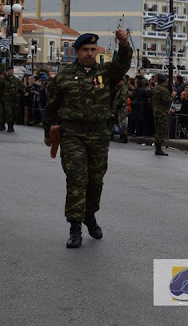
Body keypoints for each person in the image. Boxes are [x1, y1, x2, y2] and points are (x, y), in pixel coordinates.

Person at [43, 31, 132, 248]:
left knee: (96, 180)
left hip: (99, 135)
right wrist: (49, 133)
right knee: (76, 179)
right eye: (85, 50)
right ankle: (75, 228)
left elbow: (123, 63)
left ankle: (90, 215)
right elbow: (52, 107)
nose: (90, 54)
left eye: (93, 50)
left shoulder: (106, 73)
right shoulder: (63, 77)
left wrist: (123, 42)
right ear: (77, 52)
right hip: (72, 134)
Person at [152, 74, 173, 156]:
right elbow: (167, 100)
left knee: (158, 129)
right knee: (162, 129)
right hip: (162, 112)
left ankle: (157, 146)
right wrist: (172, 96)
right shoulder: (163, 90)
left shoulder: (156, 88)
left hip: (156, 111)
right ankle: (158, 147)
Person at [1, 66, 25, 132]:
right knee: (9, 112)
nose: (11, 71)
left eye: (12, 70)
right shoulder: (3, 80)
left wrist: (25, 91)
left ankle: (11, 124)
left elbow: (21, 86)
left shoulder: (16, 79)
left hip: (15, 99)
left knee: (15, 112)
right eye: (10, 70)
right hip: (7, 99)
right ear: (7, 71)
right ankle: (9, 126)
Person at [112, 76, 129, 143]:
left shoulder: (124, 88)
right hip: (118, 107)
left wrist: (117, 104)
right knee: (119, 122)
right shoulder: (118, 88)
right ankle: (121, 136)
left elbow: (122, 98)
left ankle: (124, 136)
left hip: (122, 107)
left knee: (123, 122)